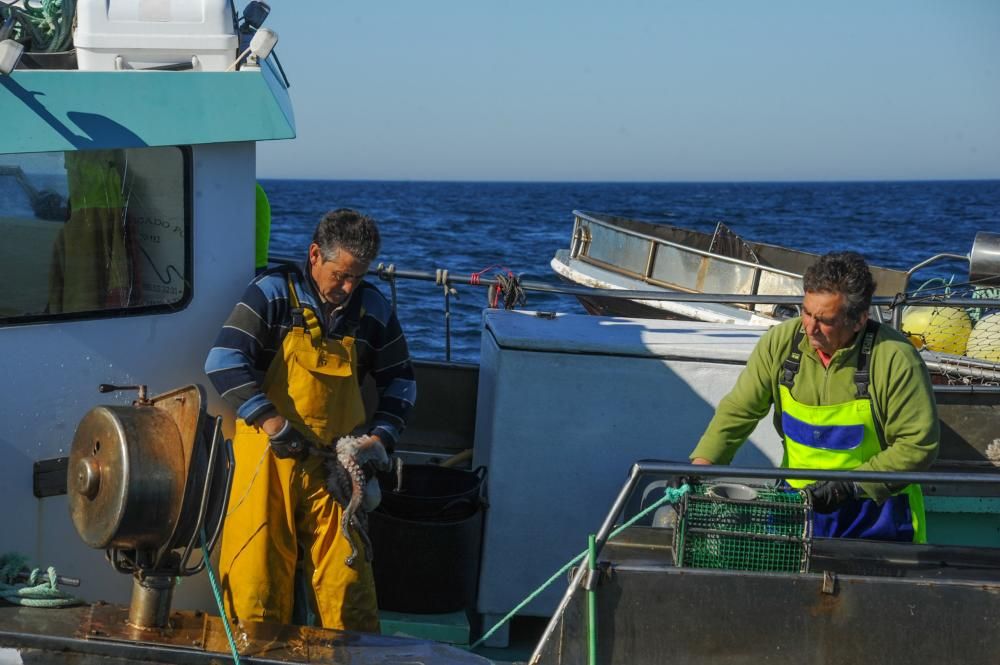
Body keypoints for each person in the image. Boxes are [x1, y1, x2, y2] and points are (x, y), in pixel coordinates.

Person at [205, 208, 416, 631]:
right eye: (341, 275)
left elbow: (402, 382)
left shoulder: (371, 308)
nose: (348, 287)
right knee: (255, 585)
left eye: (358, 276)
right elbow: (223, 361)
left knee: (348, 584)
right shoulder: (271, 293)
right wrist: (272, 423)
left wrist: (379, 439)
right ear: (315, 255)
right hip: (268, 462)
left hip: (337, 469)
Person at [689, 251, 939, 542]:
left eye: (825, 320)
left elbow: (918, 445)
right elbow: (739, 411)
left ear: (858, 319)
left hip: (875, 514)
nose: (810, 327)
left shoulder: (894, 358)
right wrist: (700, 468)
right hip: (795, 508)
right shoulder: (781, 343)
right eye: (805, 311)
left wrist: (850, 487)